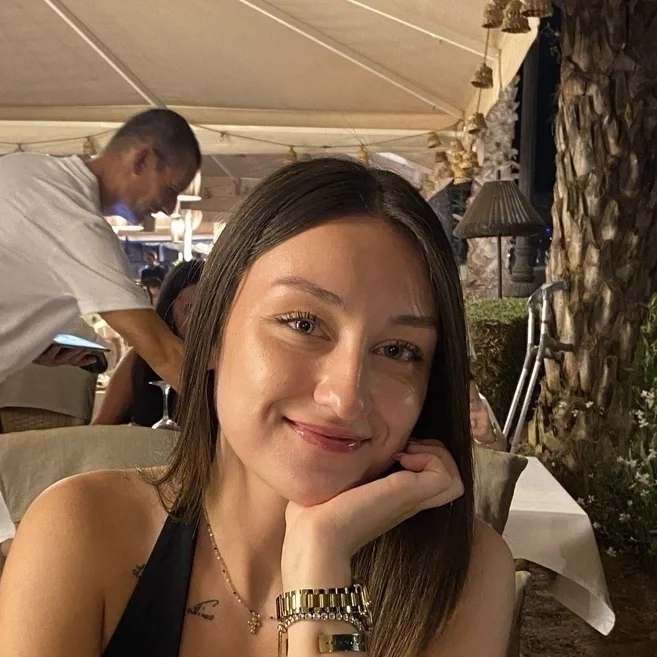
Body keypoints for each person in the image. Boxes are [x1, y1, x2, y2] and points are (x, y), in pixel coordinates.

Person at [0, 159, 515, 657]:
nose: (345, 398)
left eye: (398, 350)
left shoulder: (463, 573)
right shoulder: (81, 531)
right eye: (304, 324)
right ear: (212, 332)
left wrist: (321, 566)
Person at [0, 108, 201, 390]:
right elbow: (166, 355)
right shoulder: (76, 222)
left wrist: (29, 342)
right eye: (171, 189)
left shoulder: (22, 167)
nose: (169, 209)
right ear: (142, 159)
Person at [93, 260, 203, 427]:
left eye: (209, 310)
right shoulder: (141, 358)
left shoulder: (228, 364)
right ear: (169, 310)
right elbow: (100, 428)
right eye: (189, 308)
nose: (199, 319)